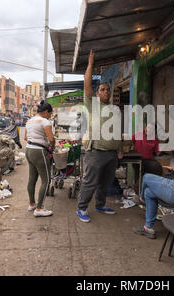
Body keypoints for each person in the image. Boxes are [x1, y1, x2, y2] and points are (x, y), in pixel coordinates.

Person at [76, 50, 123, 223]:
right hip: (96, 152)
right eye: (102, 89)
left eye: (107, 89)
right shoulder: (93, 105)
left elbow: (117, 130)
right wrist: (90, 65)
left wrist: (119, 150)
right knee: (90, 182)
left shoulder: (114, 109)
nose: (106, 91)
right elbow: (87, 86)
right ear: (97, 94)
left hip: (111, 154)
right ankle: (81, 208)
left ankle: (100, 204)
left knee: (106, 182)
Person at [24, 100, 56, 217]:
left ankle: (32, 204)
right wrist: (51, 148)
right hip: (39, 152)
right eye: (50, 114)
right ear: (46, 111)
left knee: (32, 178)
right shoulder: (45, 121)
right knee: (46, 180)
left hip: (28, 150)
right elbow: (51, 139)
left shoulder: (29, 121)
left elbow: (25, 137)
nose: (50, 116)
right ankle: (39, 209)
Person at [132, 123, 163, 195]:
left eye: (150, 129)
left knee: (156, 168)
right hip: (137, 159)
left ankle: (144, 191)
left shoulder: (155, 140)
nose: (148, 130)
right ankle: (138, 192)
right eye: (147, 127)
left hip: (148, 161)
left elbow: (157, 153)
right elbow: (131, 141)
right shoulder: (138, 135)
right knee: (138, 173)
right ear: (145, 127)